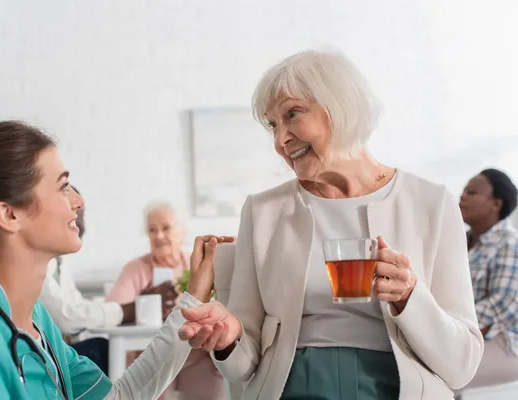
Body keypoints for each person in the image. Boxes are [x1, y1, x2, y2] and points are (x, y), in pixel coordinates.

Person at [179, 49, 484, 399]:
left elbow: (461, 367)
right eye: (272, 126)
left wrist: (409, 296)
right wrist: (229, 338)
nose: (280, 140)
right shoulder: (264, 211)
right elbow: (243, 367)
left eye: (292, 114)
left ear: (339, 106)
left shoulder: (431, 202)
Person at [0, 120, 234, 399]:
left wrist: (193, 295)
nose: (79, 202)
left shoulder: (35, 320)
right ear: (9, 214)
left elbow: (122, 396)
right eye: (62, 186)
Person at [106, 202, 224, 400]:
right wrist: (141, 302)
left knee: (209, 370)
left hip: (196, 353)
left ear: (181, 231)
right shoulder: (136, 269)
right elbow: (112, 310)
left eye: (166, 228)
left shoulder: (195, 265)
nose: (159, 236)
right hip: (150, 353)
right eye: (152, 230)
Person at [40, 186, 134, 376]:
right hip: (41, 355)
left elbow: (76, 305)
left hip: (58, 349)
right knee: (101, 351)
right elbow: (67, 317)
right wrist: (123, 311)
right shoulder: (39, 262)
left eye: (81, 214)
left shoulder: (60, 261)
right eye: (74, 212)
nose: (81, 220)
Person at [457, 168, 518, 391]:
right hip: (461, 337)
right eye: (463, 191)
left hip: (505, 342)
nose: (462, 196)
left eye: (472, 192)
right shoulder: (459, 243)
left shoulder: (510, 244)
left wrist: (452, 329)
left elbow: (504, 303)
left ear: (496, 204)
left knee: (438, 373)